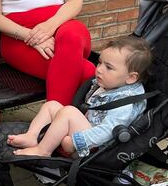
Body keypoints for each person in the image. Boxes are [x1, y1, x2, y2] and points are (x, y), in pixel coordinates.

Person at [8, 36, 152, 157]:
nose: (99, 69)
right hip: (88, 126)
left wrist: (77, 141)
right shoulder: (112, 84)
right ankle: (32, 136)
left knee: (68, 112)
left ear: (131, 78)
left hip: (94, 146)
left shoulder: (125, 103)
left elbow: (108, 132)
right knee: (52, 105)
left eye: (109, 67)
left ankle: (42, 151)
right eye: (100, 63)